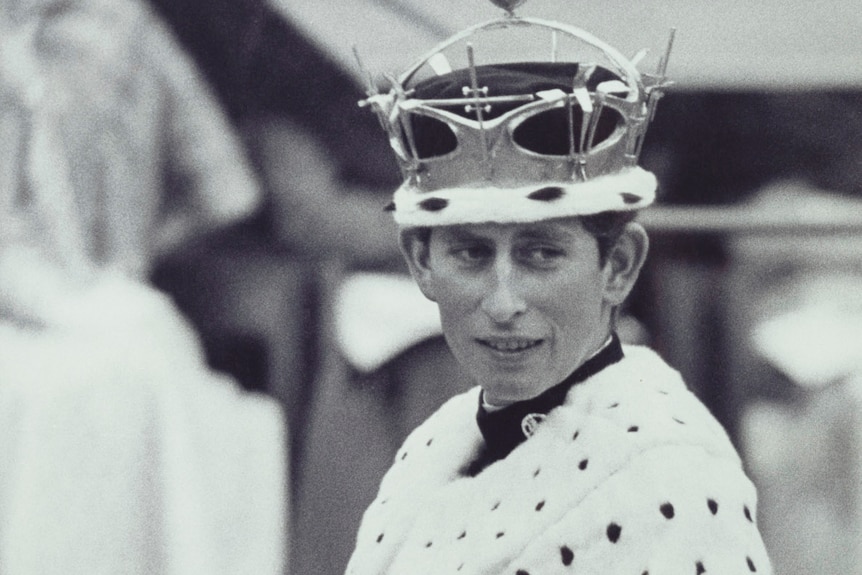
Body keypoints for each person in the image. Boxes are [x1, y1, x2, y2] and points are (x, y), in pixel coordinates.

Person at [345, 2, 772, 574]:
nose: (502, 304)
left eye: (541, 254)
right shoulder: (430, 450)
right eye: (470, 254)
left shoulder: (670, 476)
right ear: (421, 262)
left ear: (618, 264)